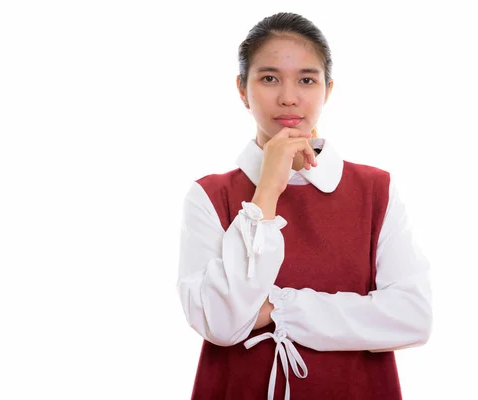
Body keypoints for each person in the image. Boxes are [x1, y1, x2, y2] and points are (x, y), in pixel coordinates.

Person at [176, 12, 432, 400]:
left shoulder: (376, 189)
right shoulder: (210, 195)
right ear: (242, 90)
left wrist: (278, 307)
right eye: (269, 78)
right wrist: (266, 193)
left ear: (328, 89)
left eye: (307, 80)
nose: (289, 97)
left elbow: (411, 318)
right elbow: (222, 323)